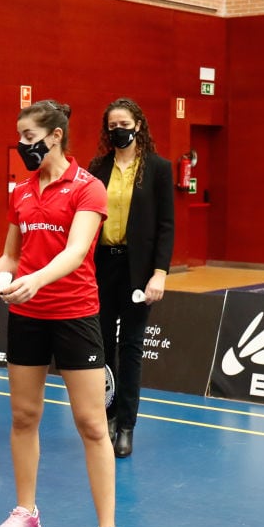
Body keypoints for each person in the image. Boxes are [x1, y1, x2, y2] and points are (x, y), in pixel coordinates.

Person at [0, 100, 134, 527]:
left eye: (29, 136)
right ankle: (26, 513)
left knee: (92, 425)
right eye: (19, 137)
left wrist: (37, 280)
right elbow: (13, 256)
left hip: (75, 314)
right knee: (24, 416)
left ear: (54, 136)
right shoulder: (22, 192)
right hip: (27, 315)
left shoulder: (88, 188)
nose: (22, 145)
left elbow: (75, 251)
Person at [89, 98, 175, 458]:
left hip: (139, 271)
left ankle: (126, 426)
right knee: (104, 347)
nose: (118, 130)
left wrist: (160, 273)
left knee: (132, 348)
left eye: (124, 123)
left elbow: (166, 226)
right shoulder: (98, 166)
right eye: (112, 126)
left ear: (138, 125)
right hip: (103, 266)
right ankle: (106, 416)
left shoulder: (157, 168)